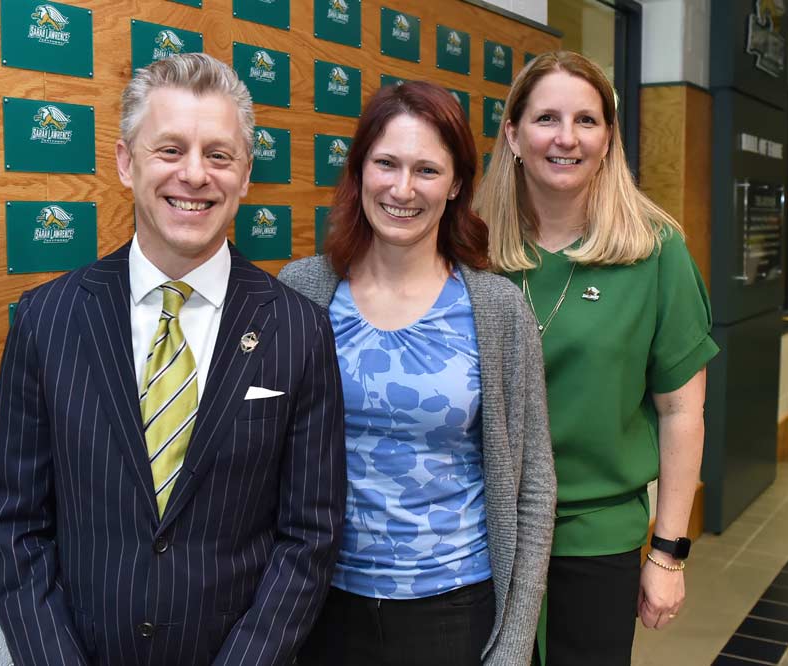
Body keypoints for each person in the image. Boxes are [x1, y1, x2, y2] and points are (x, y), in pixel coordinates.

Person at [0, 53, 346, 666]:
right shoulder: (49, 320)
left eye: (219, 155)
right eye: (170, 150)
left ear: (246, 174)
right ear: (127, 161)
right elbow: (14, 524)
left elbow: (310, 537)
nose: (195, 175)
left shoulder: (297, 328)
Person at [279, 81, 556, 666]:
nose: (403, 189)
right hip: (323, 609)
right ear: (360, 172)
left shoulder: (498, 310)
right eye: (386, 164)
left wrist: (512, 645)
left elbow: (533, 489)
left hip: (455, 611)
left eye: (427, 169)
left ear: (456, 183)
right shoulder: (302, 291)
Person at [474, 51, 720, 665]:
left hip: (594, 541)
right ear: (512, 133)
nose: (566, 138)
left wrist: (668, 552)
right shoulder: (469, 246)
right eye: (546, 118)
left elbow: (682, 412)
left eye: (586, 120)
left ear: (609, 138)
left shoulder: (654, 251)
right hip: (480, 535)